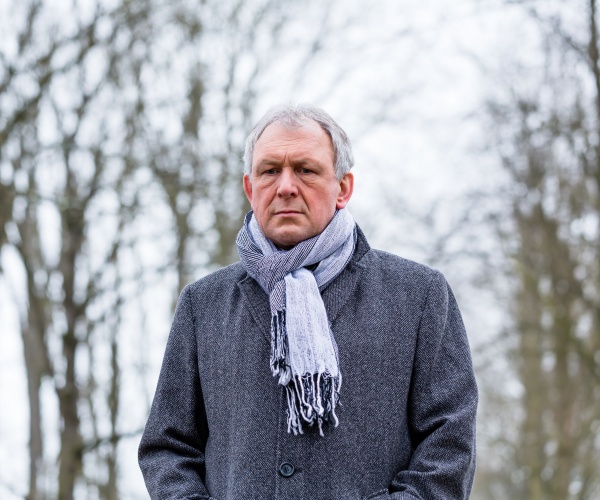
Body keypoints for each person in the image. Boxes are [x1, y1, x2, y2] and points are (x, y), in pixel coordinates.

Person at [138, 103, 478, 499]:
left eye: (305, 169)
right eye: (269, 171)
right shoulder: (203, 305)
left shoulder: (419, 296)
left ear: (343, 188)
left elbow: (450, 446)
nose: (285, 186)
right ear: (250, 188)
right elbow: (167, 447)